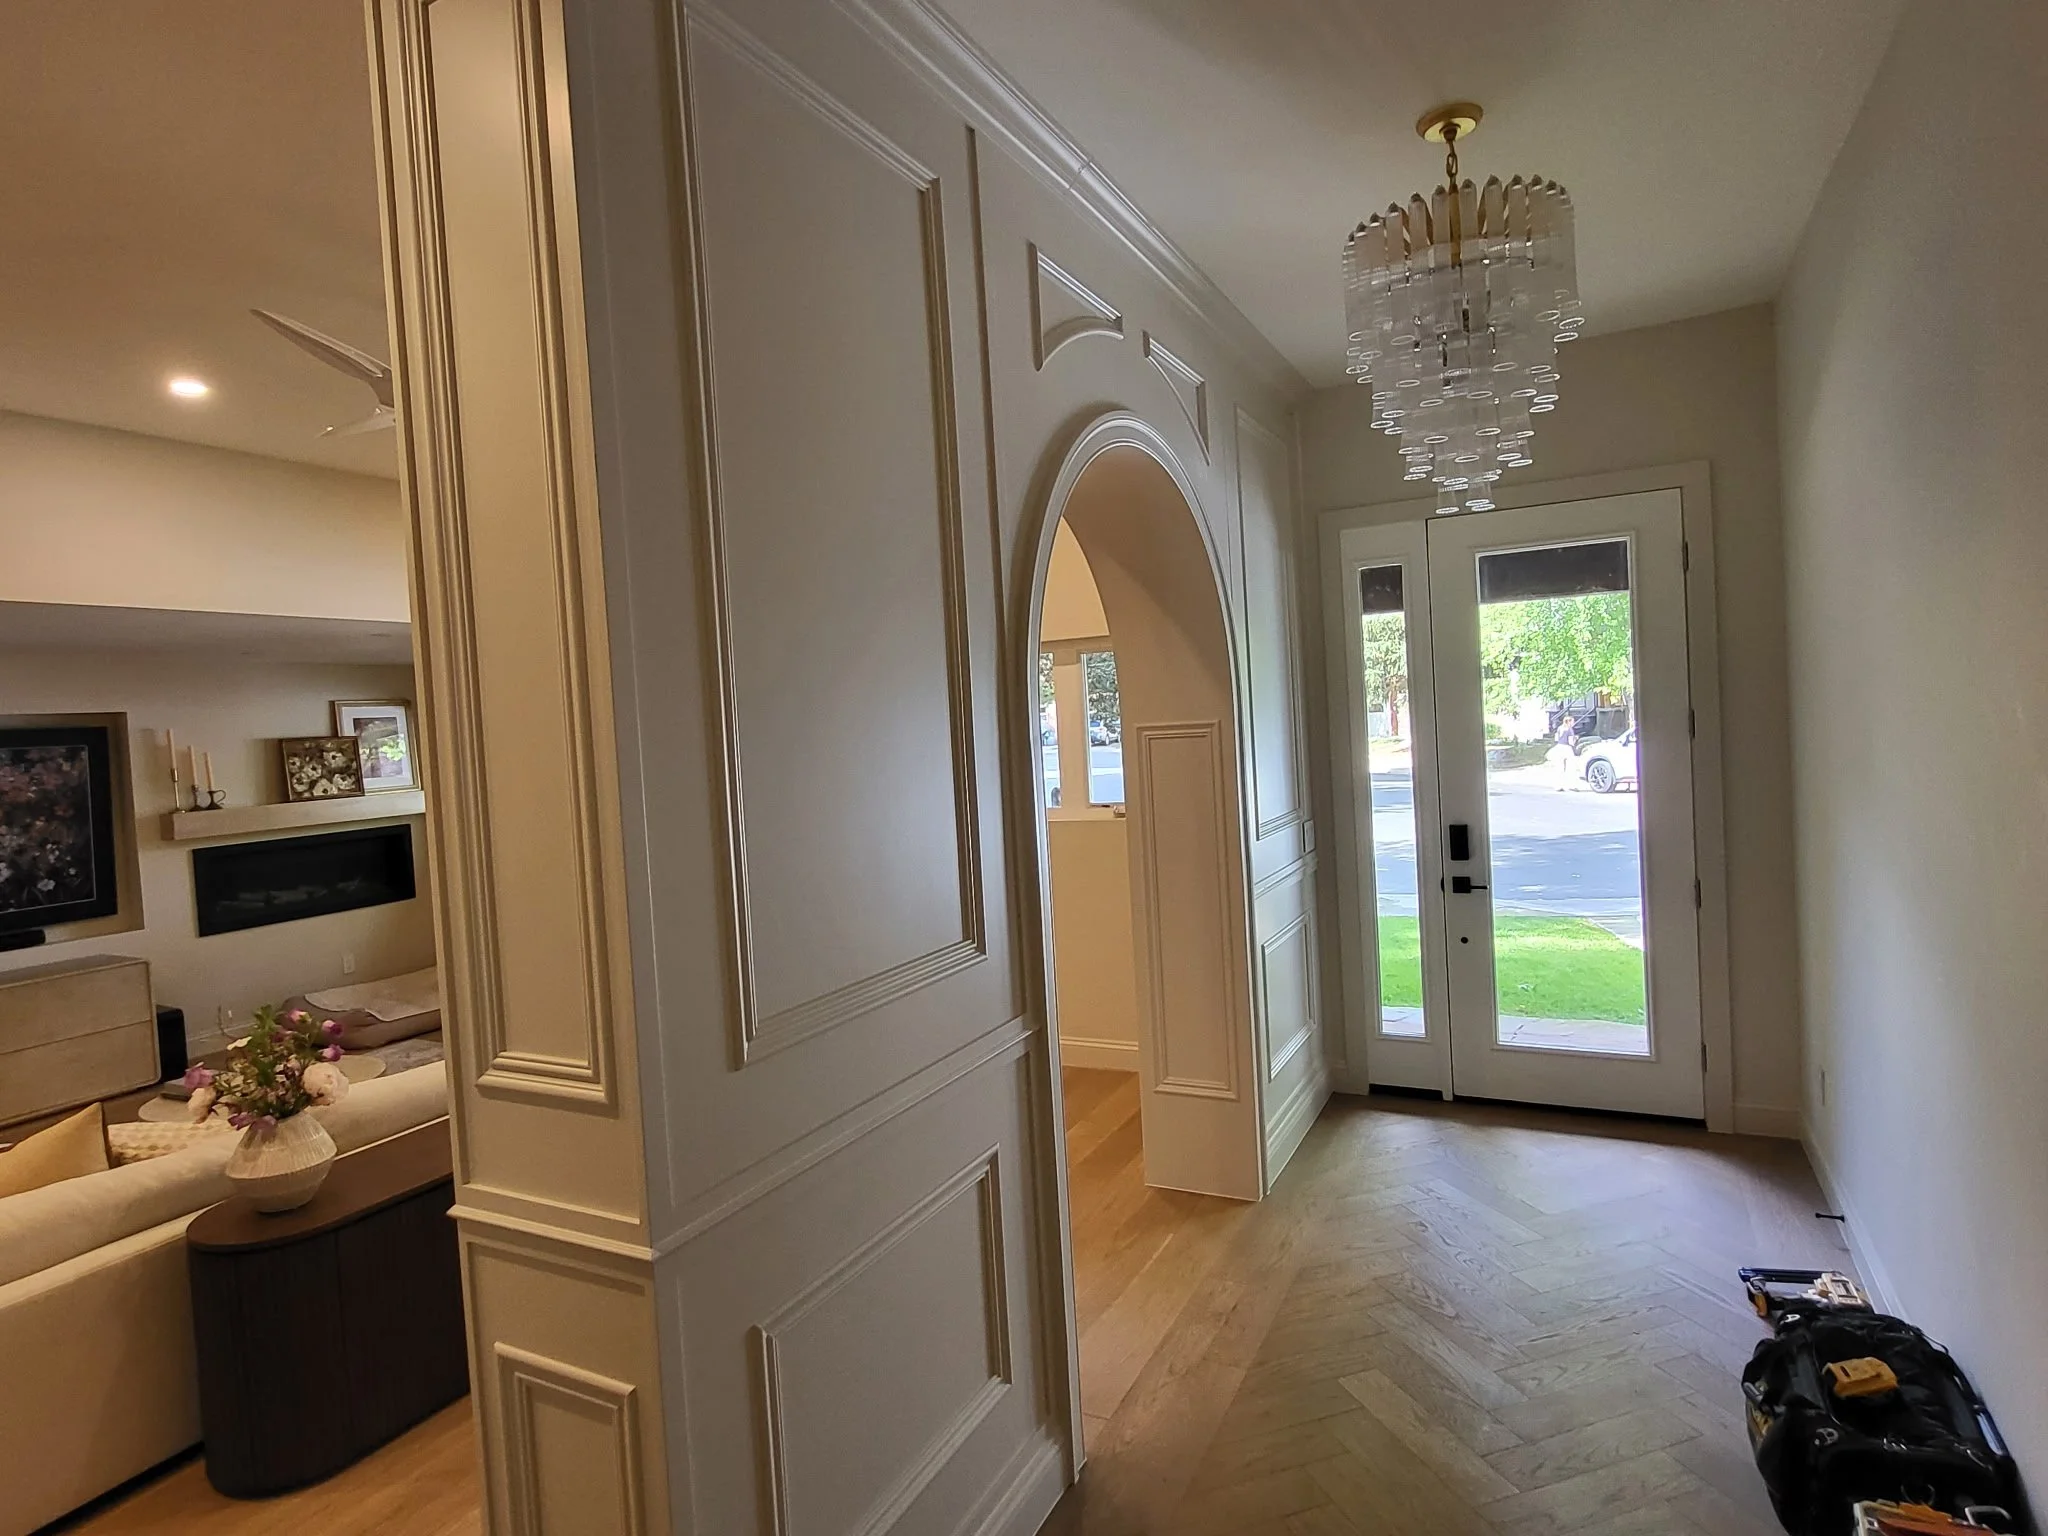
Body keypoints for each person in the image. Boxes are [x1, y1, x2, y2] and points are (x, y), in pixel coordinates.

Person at [1550, 712, 1581, 790]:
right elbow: (1571, 742)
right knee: (1571, 767)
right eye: (1573, 721)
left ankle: (1558, 786)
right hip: (1567, 748)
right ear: (1569, 722)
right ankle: (1572, 785)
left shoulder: (1560, 728)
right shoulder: (1570, 730)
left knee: (1559, 767)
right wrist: (1575, 738)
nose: (1574, 723)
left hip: (1559, 747)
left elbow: (1556, 739)